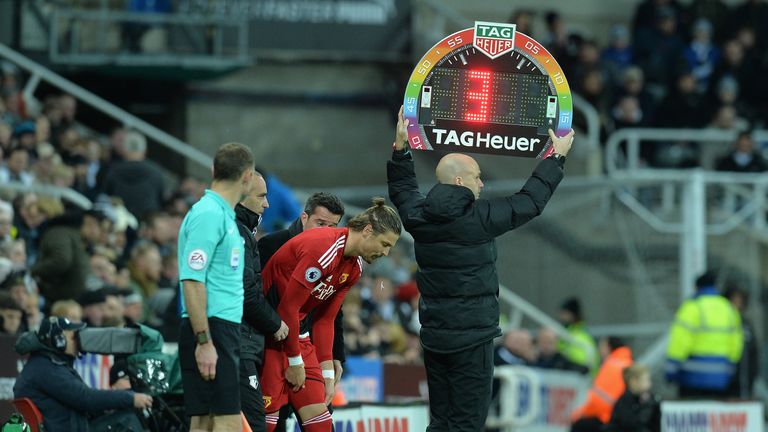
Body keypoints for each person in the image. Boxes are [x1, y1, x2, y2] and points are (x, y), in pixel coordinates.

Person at [386, 105, 574, 432]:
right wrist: (555, 157)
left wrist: (401, 150)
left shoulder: (418, 217)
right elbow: (530, 202)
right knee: (468, 423)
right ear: (459, 181)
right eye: (476, 177)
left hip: (434, 336)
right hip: (472, 339)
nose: (482, 184)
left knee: (441, 421)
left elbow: (402, 191)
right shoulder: (479, 219)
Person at [260, 198, 402, 432]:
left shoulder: (354, 266)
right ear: (367, 231)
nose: (385, 252)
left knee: (322, 424)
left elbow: (326, 319)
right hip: (270, 336)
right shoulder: (324, 248)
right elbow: (287, 308)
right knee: (268, 424)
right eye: (384, 243)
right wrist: (295, 362)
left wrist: (327, 373)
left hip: (297, 334)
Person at [177, 142, 256, 432]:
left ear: (214, 170)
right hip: (211, 329)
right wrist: (204, 342)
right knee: (226, 423)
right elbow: (192, 280)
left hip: (218, 329)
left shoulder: (222, 215)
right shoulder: (209, 215)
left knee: (206, 422)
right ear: (247, 176)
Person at [258, 192, 346, 432]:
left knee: (321, 419)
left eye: (332, 226)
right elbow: (258, 297)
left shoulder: (337, 253)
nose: (326, 231)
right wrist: (277, 330)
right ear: (304, 217)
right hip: (272, 346)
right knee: (272, 422)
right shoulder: (272, 245)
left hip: (310, 348)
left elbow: (332, 311)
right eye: (320, 223)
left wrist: (336, 354)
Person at [13, 317, 153, 432]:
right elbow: (86, 399)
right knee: (127, 419)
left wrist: (128, 396)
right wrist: (130, 398)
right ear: (59, 340)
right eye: (74, 336)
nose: (80, 341)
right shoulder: (46, 368)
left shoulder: (46, 364)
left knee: (122, 414)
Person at [235, 171, 289, 430]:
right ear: (242, 197)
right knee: (254, 423)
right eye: (262, 196)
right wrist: (276, 323)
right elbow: (246, 292)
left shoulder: (243, 231)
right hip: (239, 344)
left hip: (237, 343)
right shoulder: (238, 233)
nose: (267, 203)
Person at [665, 271, 743, 399]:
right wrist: (730, 367)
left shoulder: (691, 308)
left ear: (697, 287)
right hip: (720, 379)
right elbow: (736, 344)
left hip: (691, 378)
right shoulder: (729, 309)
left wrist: (671, 369)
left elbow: (680, 341)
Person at [31, 210, 104, 307]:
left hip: (69, 300)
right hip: (54, 298)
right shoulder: (61, 233)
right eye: (91, 225)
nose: (96, 231)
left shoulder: (79, 240)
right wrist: (32, 271)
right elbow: (61, 261)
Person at [570, 337, 633, 432]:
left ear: (608, 347)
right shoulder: (628, 363)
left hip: (608, 416)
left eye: (602, 346)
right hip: (623, 416)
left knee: (578, 425)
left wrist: (579, 413)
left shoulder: (611, 366)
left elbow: (598, 399)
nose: (599, 350)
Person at [101, 130, 166, 220]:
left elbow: (105, 198)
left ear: (124, 149)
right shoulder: (156, 173)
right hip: (148, 225)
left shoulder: (112, 172)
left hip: (120, 225)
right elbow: (161, 201)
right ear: (145, 150)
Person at [723, 284, 759, 398]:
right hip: (725, 380)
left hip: (744, 382)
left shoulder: (746, 324)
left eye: (740, 301)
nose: (737, 304)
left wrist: (752, 376)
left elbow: (753, 352)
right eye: (734, 300)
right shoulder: (721, 322)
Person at [606, 364, 660, 432]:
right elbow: (631, 425)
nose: (649, 384)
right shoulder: (624, 402)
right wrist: (646, 406)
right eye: (645, 380)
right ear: (633, 382)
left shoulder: (650, 399)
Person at [558, 297, 599, 374]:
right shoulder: (565, 333)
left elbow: (583, 366)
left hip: (578, 380)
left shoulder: (580, 336)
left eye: (564, 313)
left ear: (572, 314)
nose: (561, 317)